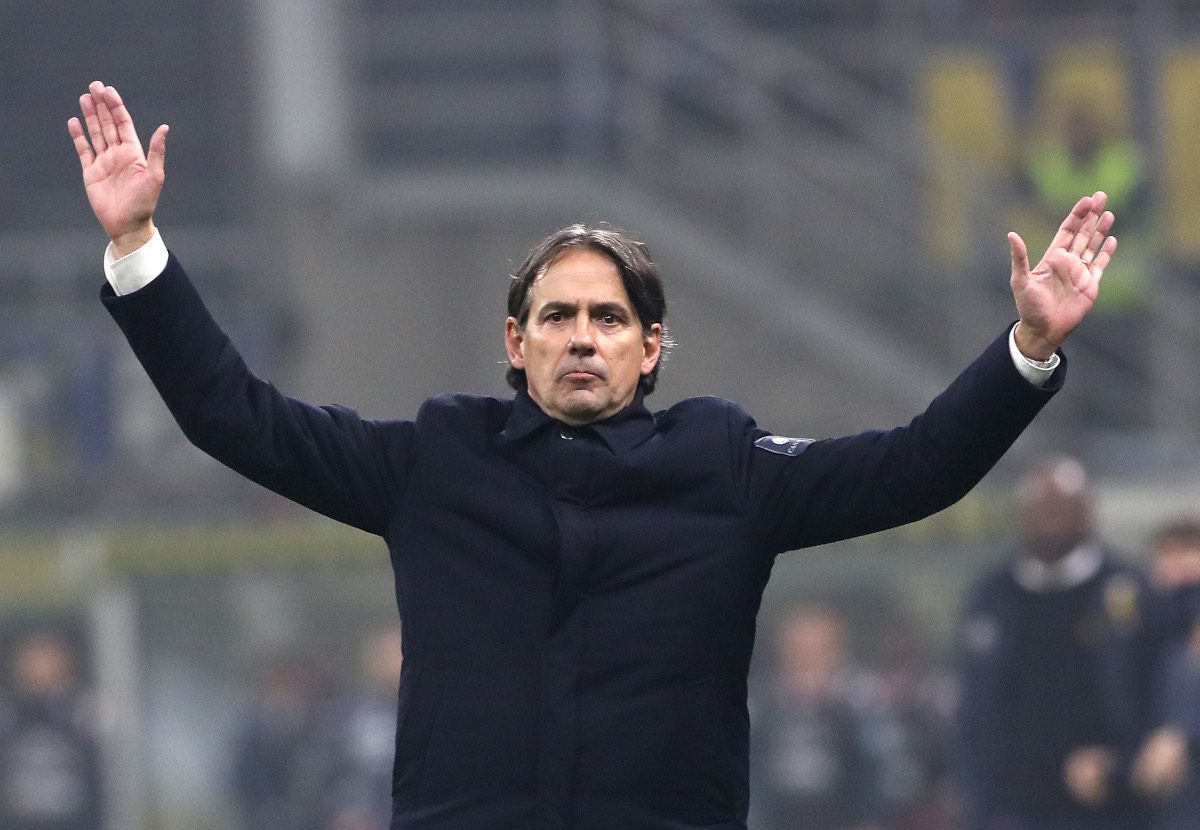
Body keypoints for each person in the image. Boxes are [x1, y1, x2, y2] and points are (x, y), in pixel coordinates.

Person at [68, 80, 1116, 829]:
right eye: (556, 315)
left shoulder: (726, 465)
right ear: (513, 343)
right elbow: (236, 417)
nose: (581, 335)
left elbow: (915, 466)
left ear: (651, 345)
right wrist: (139, 251)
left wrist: (1027, 347)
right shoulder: (439, 457)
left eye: (609, 318)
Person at [956, 457, 1165, 830]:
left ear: (1087, 512)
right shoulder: (992, 596)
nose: (1051, 518)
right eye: (1041, 506)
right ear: (1022, 514)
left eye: (1062, 506)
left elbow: (1154, 691)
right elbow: (975, 710)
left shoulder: (1127, 589)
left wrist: (1121, 762)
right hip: (1015, 810)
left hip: (1110, 811)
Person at [0, 630, 104, 830]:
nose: (38, 667)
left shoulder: (84, 714)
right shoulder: (8, 716)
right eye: (31, 659)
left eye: (45, 658)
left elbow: (99, 785)